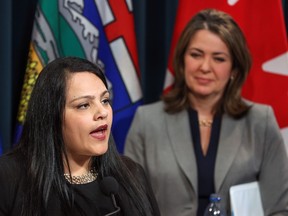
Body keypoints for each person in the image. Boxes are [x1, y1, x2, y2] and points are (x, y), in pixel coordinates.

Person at [124, 8, 288, 216]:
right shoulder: (147, 121)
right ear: (182, 60)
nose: (204, 67)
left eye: (218, 59)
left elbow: (279, 209)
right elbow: (131, 207)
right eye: (196, 55)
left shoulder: (260, 122)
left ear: (234, 70)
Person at [0, 56, 160, 216]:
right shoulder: (9, 178)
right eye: (84, 105)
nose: (102, 112)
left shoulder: (132, 175)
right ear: (51, 116)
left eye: (105, 100)